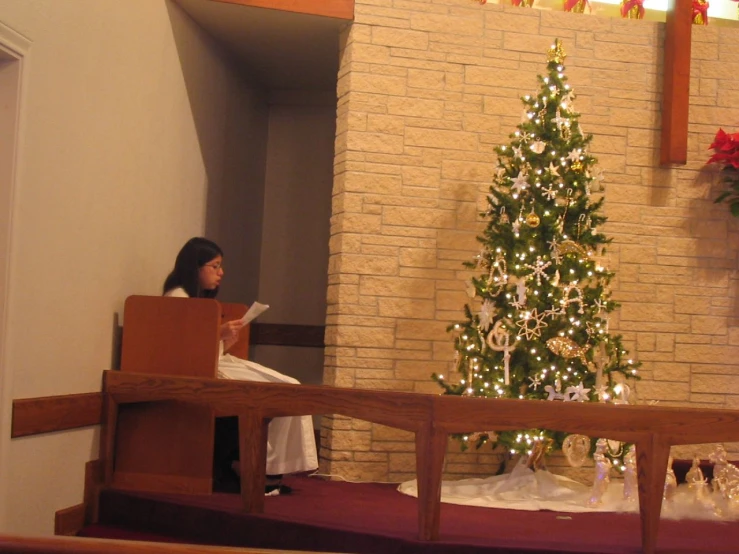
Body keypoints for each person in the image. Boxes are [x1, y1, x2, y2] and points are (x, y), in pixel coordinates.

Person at [162, 237, 318, 494]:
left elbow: (202, 346)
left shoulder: (198, 299)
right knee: (277, 392)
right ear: (195, 266)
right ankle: (260, 471)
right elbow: (179, 350)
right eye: (215, 265)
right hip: (195, 373)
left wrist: (224, 340)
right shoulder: (177, 298)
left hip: (214, 363)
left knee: (291, 388)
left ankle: (271, 470)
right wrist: (217, 334)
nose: (221, 272)